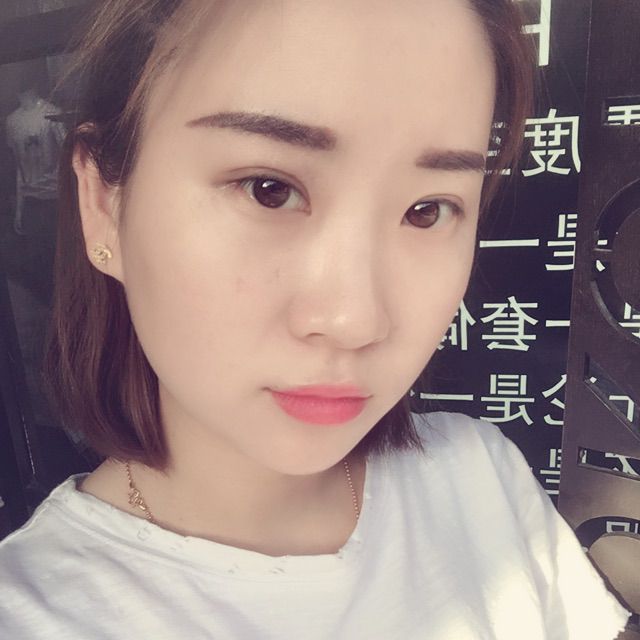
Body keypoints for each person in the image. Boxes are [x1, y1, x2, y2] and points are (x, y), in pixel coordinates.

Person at [0, 1, 633, 638]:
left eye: (427, 210)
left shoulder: (478, 479)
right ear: (104, 204)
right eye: (268, 189)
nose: (355, 321)